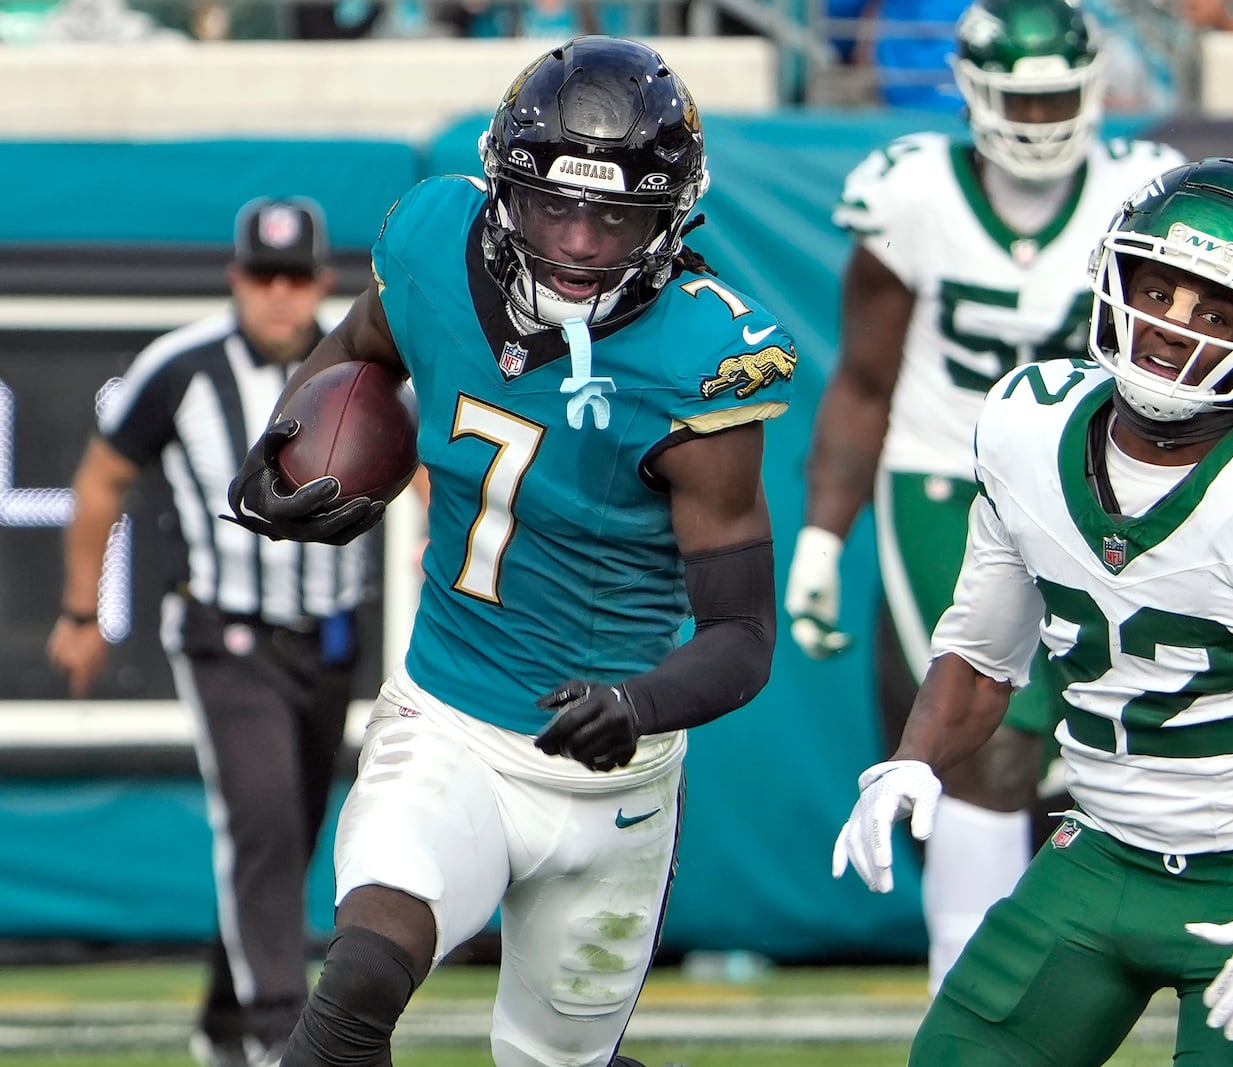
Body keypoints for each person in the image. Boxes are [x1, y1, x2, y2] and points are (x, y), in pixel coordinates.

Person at [224, 35, 792, 1067]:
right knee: (349, 995)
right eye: (551, 207)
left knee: (555, 1060)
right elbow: (360, 348)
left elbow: (745, 634)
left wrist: (637, 702)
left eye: (613, 216)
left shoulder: (703, 362)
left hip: (613, 776)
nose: (576, 244)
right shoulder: (437, 242)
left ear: (669, 217)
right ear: (500, 188)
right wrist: (289, 439)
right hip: (447, 718)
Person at [831, 157, 1233, 1066]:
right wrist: (913, 761)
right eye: (1157, 291)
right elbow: (981, 657)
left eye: (1216, 311)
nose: (1172, 330)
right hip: (1101, 851)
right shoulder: (1028, 429)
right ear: (1112, 280)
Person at [784, 0, 1185, 996]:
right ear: (971, 91)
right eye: (1023, 99)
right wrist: (825, 536)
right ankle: (967, 991)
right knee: (986, 737)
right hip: (944, 479)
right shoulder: (912, 191)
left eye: (1059, 98)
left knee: (1121, 734)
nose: (1042, 121)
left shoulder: (1140, 193)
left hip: (1093, 479)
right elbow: (865, 380)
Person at [48, 196, 364, 1067]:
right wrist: (81, 612)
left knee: (293, 830)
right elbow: (102, 478)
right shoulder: (181, 365)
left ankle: (224, 1022)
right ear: (236, 280)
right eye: (263, 277)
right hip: (225, 632)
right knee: (261, 820)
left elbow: (413, 463)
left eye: (294, 278)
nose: (278, 296)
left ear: (319, 283)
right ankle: (277, 1030)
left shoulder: (359, 367)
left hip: (330, 635)